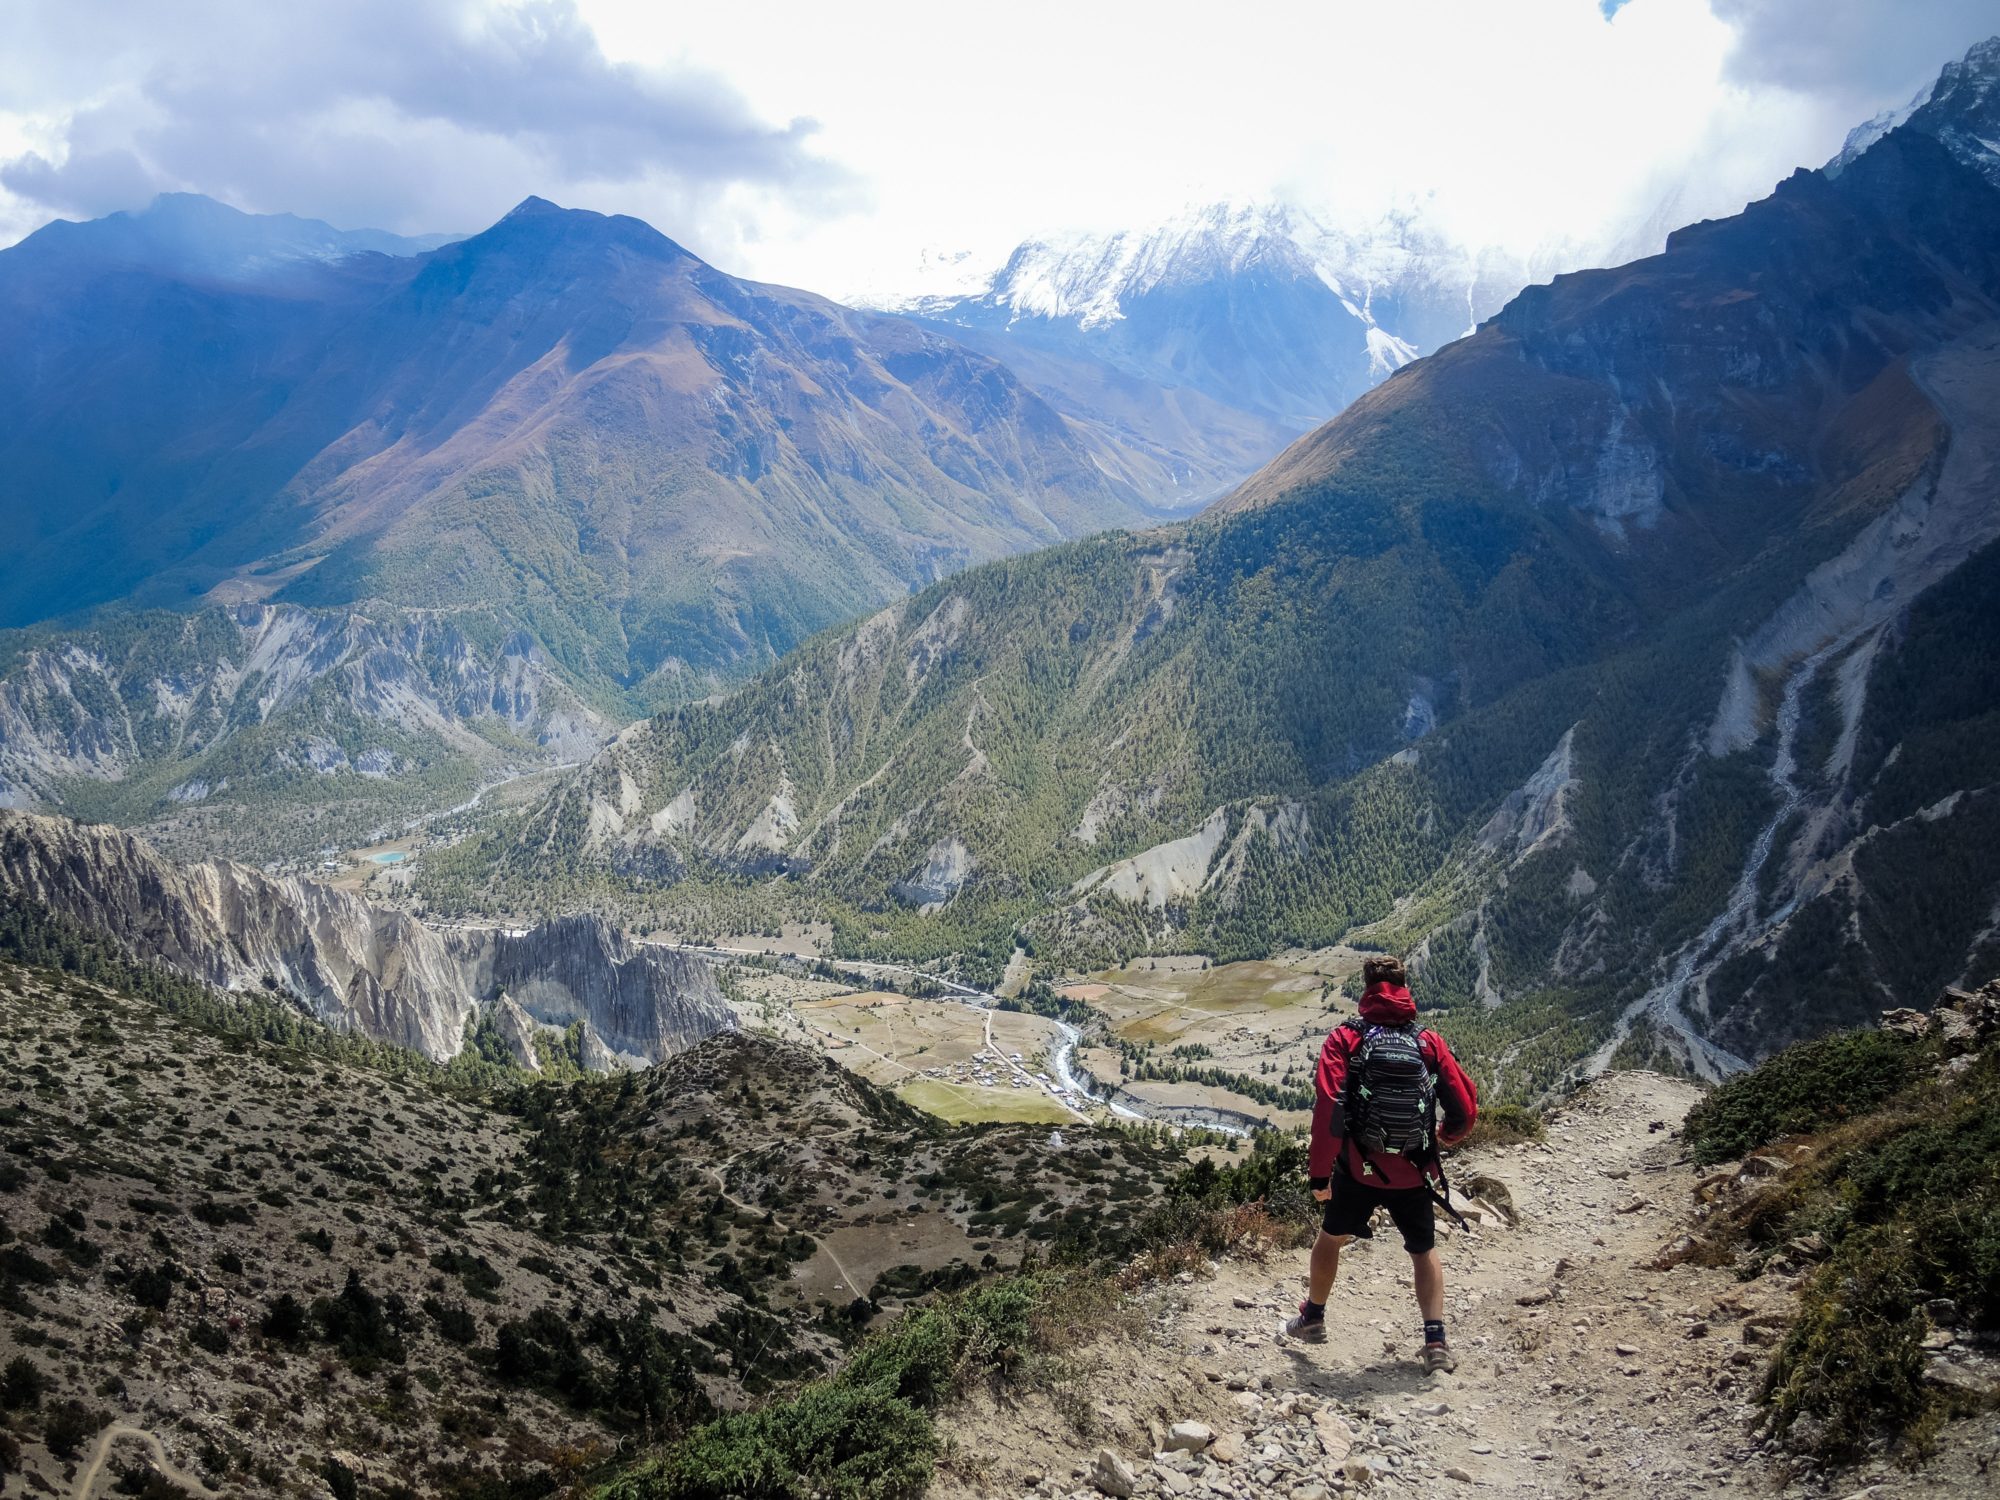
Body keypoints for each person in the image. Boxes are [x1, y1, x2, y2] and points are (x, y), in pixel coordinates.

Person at [1282, 955, 1478, 1373]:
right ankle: (1436, 1341)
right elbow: (1463, 1106)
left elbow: (1328, 1108)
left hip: (1358, 1168)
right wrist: (1447, 1135)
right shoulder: (1428, 1041)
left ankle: (1313, 1316)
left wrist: (1320, 1173)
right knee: (1423, 1252)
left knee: (1330, 1239)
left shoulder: (1344, 1039)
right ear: (1405, 987)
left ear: (1366, 988)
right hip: (1414, 1171)